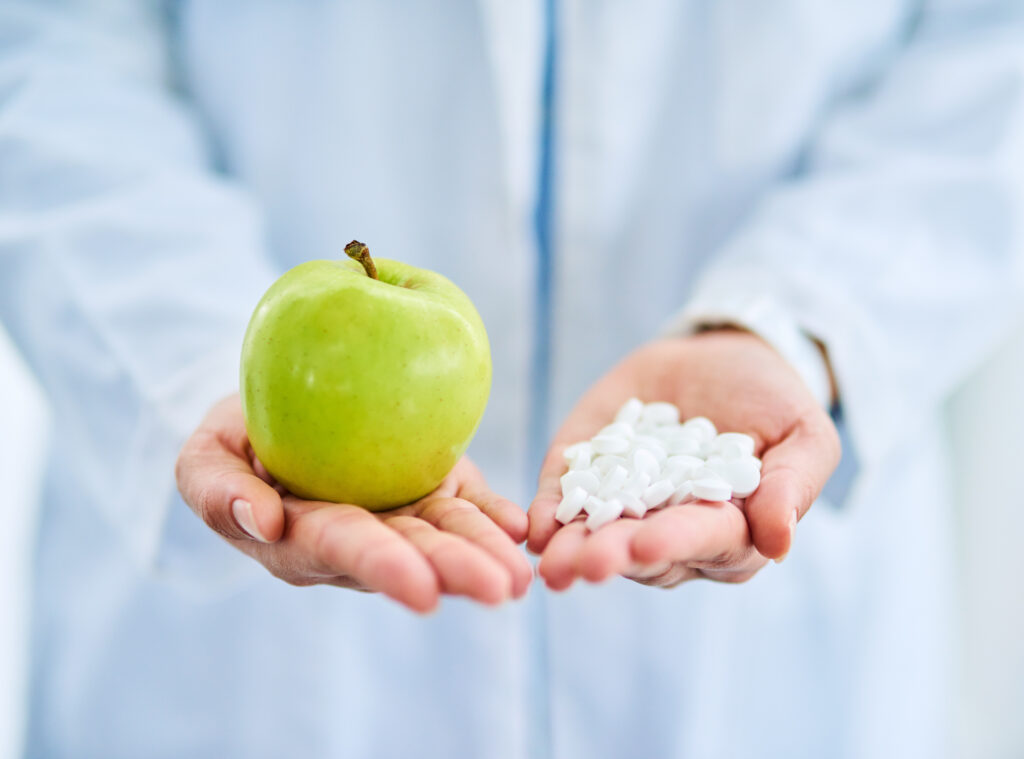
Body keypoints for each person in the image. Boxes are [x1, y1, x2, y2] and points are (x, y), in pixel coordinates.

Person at [1, 1, 1022, 757]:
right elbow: (49, 48)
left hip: (760, 681)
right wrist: (188, 353)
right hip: (247, 682)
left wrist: (797, 317)